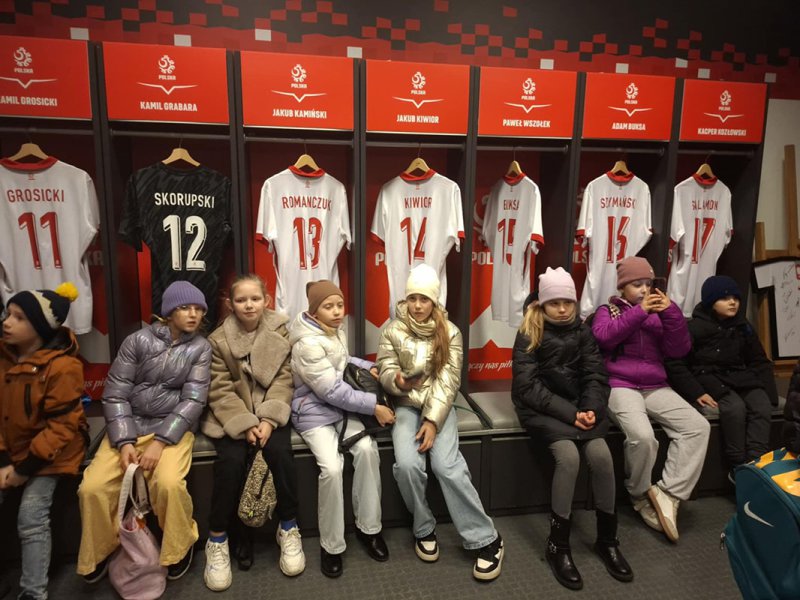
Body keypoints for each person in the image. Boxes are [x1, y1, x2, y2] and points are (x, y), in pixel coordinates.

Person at [77, 281, 212, 583]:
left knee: (169, 484)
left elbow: (194, 400)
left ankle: (178, 547)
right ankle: (99, 550)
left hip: (171, 429)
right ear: (169, 312)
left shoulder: (201, 348)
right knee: (93, 487)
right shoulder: (137, 341)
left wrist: (161, 442)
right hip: (130, 425)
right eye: (185, 308)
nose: (193, 314)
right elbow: (115, 394)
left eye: (199, 309)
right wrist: (125, 441)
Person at [376, 264, 504, 581]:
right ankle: (423, 528)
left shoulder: (450, 332)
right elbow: (385, 367)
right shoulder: (392, 330)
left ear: (434, 301)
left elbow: (448, 382)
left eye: (424, 299)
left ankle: (486, 538)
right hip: (406, 405)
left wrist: (432, 421)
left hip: (440, 407)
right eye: (413, 298)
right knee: (408, 465)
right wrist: (397, 381)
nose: (418, 305)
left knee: (446, 466)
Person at [512, 267, 632, 590]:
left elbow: (596, 375)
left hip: (579, 408)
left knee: (603, 458)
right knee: (569, 458)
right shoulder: (529, 331)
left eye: (568, 302)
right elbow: (527, 387)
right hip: (542, 408)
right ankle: (558, 545)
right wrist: (571, 414)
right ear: (542, 304)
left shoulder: (583, 331)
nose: (563, 309)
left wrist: (591, 409)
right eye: (555, 303)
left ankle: (607, 539)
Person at [591, 257, 710, 543]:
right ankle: (639, 493)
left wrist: (671, 313)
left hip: (655, 385)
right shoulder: (608, 311)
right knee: (643, 437)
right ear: (622, 287)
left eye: (648, 284)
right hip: (619, 384)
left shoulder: (661, 313)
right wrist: (640, 312)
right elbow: (604, 338)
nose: (644, 290)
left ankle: (668, 492)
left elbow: (679, 350)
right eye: (637, 284)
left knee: (697, 427)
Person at [201, 274, 305, 591]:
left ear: (266, 301)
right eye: (241, 300)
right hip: (233, 415)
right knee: (231, 463)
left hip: (270, 413)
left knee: (280, 454)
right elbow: (219, 390)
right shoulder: (218, 339)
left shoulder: (279, 330)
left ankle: (289, 527)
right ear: (230, 304)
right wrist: (246, 423)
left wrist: (269, 420)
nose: (249, 305)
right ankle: (217, 538)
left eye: (255, 299)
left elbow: (284, 379)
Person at [288, 280, 392, 578]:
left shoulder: (332, 330)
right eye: (328, 306)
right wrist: (374, 406)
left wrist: (368, 366)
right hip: (313, 412)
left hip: (340, 409)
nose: (336, 312)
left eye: (339, 305)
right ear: (314, 311)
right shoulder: (306, 343)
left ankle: (369, 529)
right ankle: (331, 545)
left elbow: (341, 361)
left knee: (367, 450)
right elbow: (331, 390)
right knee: (332, 468)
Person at [0, 284, 87, 600]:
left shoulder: (64, 367)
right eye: (8, 314)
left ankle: (33, 592)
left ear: (40, 327)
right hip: (11, 449)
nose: (7, 322)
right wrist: (4, 460)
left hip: (53, 454)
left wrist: (23, 469)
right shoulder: (3, 358)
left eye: (19, 317)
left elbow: (61, 428)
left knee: (31, 515)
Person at [666, 275, 776, 479]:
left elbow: (758, 359)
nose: (732, 302)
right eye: (725, 298)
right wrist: (696, 392)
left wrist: (770, 392)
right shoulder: (694, 328)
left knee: (761, 404)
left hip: (740, 376)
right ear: (711, 301)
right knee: (734, 408)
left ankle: (756, 464)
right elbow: (676, 364)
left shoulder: (742, 326)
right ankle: (737, 465)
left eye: (735, 298)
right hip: (709, 377)